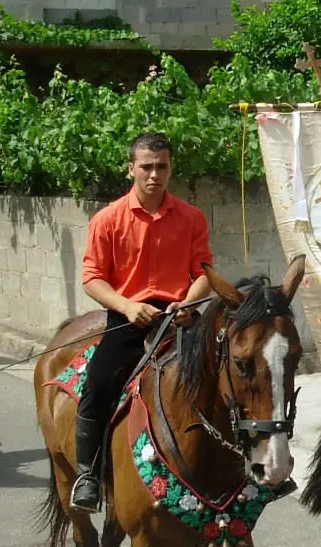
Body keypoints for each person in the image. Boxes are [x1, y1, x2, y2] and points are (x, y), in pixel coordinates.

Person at [70, 132, 214, 513]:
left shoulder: (192, 218)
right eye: (146, 166)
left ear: (170, 169)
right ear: (131, 168)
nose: (154, 174)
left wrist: (187, 302)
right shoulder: (107, 219)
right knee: (99, 384)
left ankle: (247, 464)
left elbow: (203, 271)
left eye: (161, 166)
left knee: (229, 374)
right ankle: (87, 474)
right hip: (128, 318)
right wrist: (128, 306)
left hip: (178, 317)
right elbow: (92, 277)